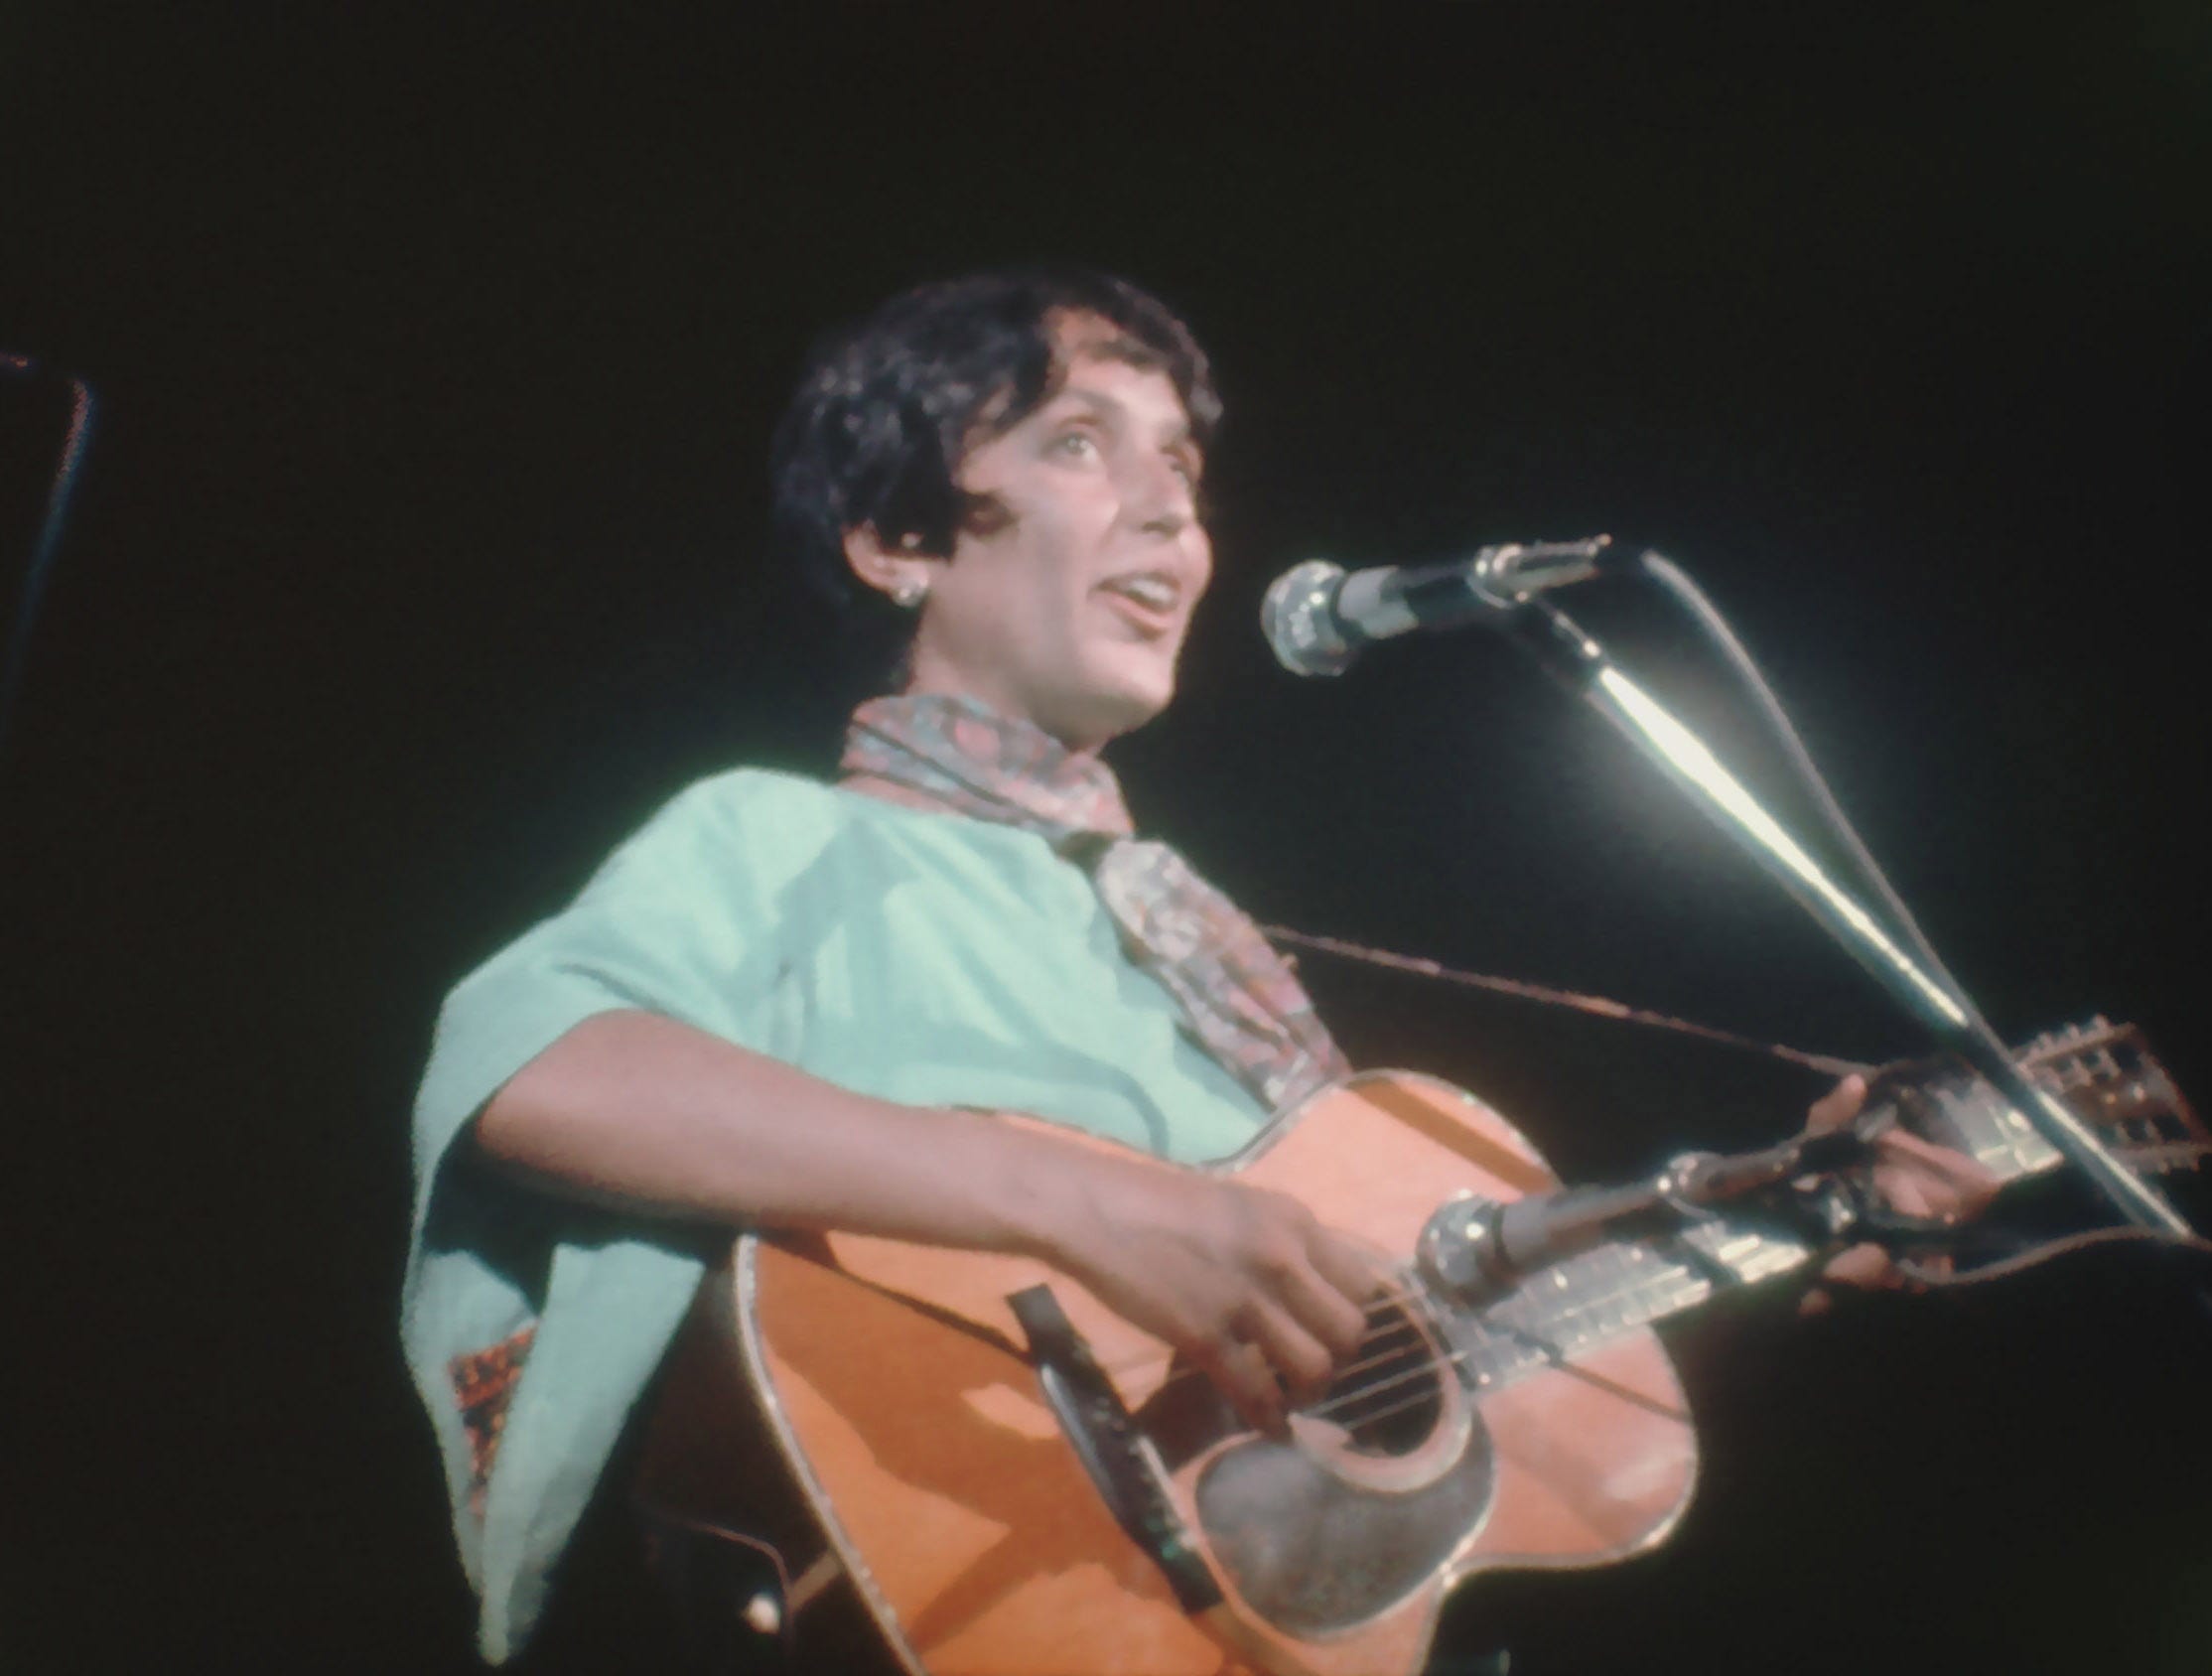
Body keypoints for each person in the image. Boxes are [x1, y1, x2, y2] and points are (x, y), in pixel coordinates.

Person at [401, 267, 1990, 1672]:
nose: (1171, 508)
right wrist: (1083, 1199)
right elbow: (538, 1073)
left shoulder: (1202, 956)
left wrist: (1814, 1222)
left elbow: (1450, 1375)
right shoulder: (780, 837)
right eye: (1080, 441)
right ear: (897, 539)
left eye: (1184, 464)